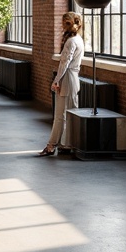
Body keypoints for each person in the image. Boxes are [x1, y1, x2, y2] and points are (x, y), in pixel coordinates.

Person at [39, 11, 85, 156]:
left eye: (63, 22)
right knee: (70, 114)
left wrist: (56, 81)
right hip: (73, 78)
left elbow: (64, 64)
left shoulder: (71, 41)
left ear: (68, 24)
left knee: (62, 116)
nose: (61, 25)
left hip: (67, 79)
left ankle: (53, 145)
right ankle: (65, 144)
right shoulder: (79, 39)